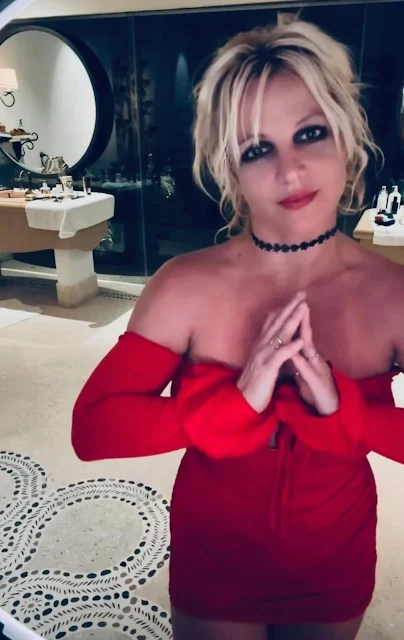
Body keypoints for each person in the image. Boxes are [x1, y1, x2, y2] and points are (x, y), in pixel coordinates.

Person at [72, 13, 404, 640]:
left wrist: (352, 416)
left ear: (347, 134)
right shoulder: (184, 284)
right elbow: (94, 429)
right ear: (229, 166)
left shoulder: (394, 294)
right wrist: (232, 404)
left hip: (334, 558)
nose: (289, 171)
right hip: (214, 561)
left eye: (310, 133)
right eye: (257, 148)